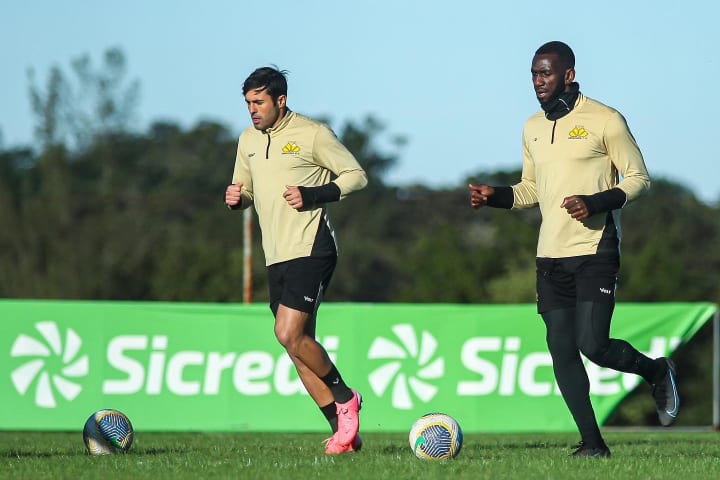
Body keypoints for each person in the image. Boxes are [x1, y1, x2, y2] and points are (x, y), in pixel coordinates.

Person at [468, 41, 679, 458]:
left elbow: (639, 178)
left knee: (592, 345)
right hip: (549, 256)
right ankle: (593, 445)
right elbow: (530, 189)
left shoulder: (606, 120)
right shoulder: (531, 126)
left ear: (568, 74)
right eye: (533, 73)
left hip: (596, 248)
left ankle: (657, 370)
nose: (538, 81)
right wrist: (494, 196)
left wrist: (595, 201)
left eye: (545, 73)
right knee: (561, 349)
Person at [225, 66, 367, 455]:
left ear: (280, 100)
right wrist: (239, 198)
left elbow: (357, 176)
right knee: (298, 347)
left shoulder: (313, 133)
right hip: (276, 255)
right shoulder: (247, 140)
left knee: (287, 333)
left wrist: (314, 195)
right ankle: (343, 432)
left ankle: (346, 398)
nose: (252, 110)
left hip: (313, 247)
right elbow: (247, 190)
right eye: (248, 103)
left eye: (259, 102)